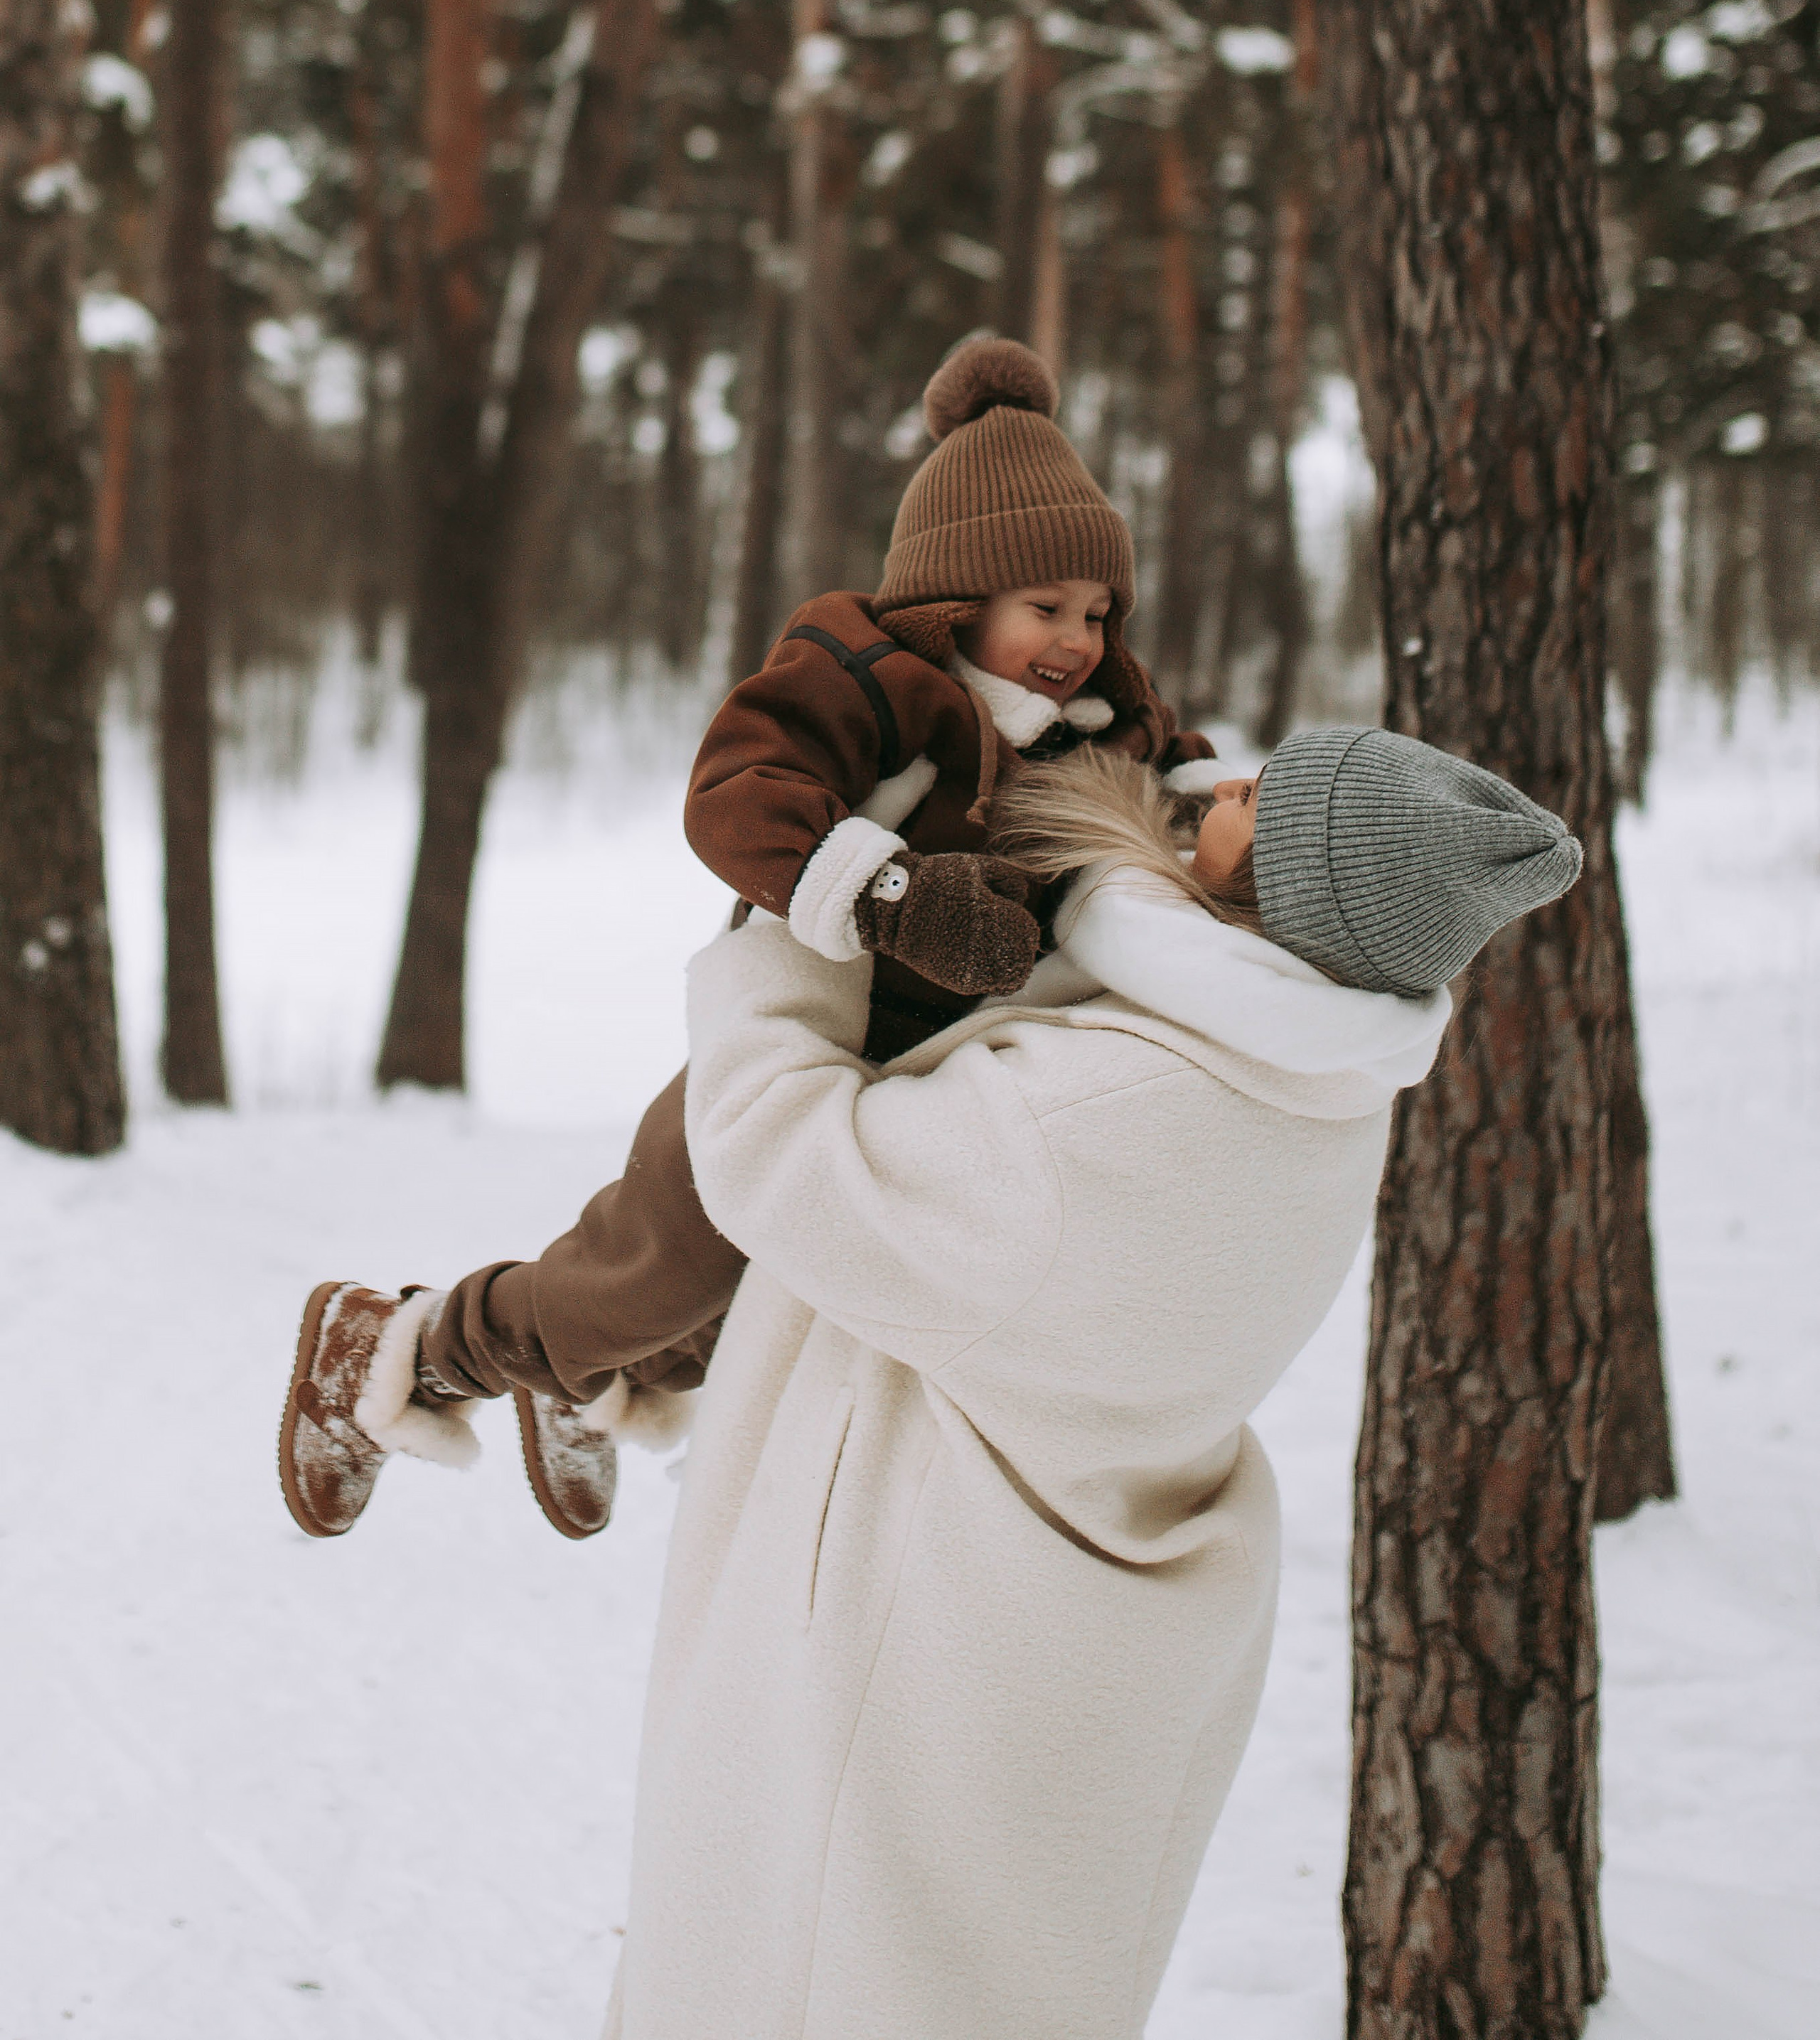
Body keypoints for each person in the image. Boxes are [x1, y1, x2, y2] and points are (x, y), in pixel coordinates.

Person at [284, 720, 1581, 2039]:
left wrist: (792, 925)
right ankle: (580, 1370)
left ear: (1289, 899)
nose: (1224, 785)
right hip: (1075, 1671)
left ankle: (495, 1354)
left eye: (1265, 801)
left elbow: (778, 1155)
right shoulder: (1319, 1074)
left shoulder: (1107, 1121)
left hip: (923, 1670)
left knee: (796, 1989)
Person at [280, 335, 1219, 1542]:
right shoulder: (868, 672)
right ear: (956, 596)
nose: (1077, 639)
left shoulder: (1108, 727)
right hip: (789, 1034)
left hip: (927, 1078)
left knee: (756, 1296)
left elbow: (1185, 799)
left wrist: (1236, 830)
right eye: (1046, 608)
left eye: (1097, 611)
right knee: (656, 1267)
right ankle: (404, 1352)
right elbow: (741, 790)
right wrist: (895, 899)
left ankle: (598, 1383)